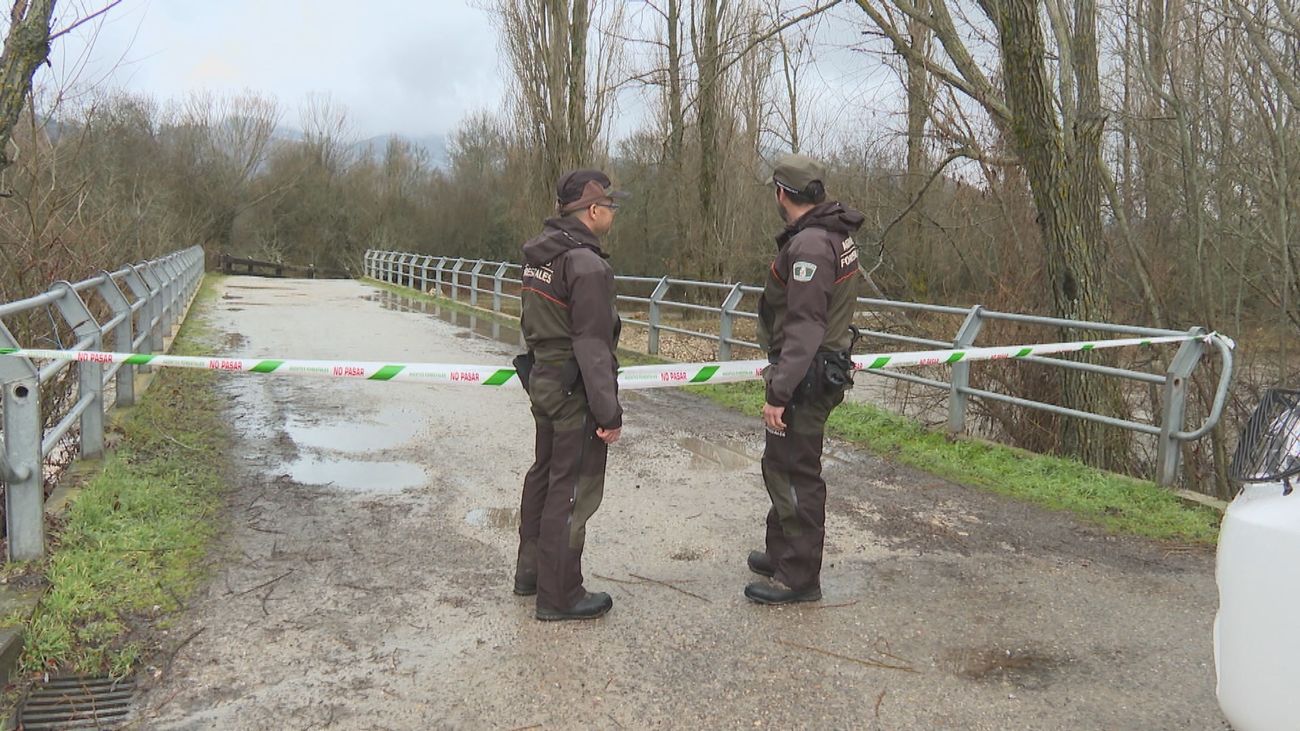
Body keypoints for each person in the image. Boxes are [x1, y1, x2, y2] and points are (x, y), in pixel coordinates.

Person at [745, 153, 864, 605]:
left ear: (782, 193)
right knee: (781, 464)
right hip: (812, 369)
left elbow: (806, 326)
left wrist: (779, 391)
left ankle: (798, 576)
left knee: (795, 471)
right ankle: (782, 554)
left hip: (804, 376)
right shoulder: (829, 234)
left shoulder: (811, 246)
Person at [512, 169, 627, 621]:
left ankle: (532, 574)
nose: (613, 213)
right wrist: (608, 412)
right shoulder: (586, 265)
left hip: (544, 378)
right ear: (592, 210)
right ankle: (560, 595)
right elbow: (592, 344)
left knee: (545, 475)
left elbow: (532, 322)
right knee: (573, 487)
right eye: (610, 206)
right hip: (573, 387)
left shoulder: (539, 256)